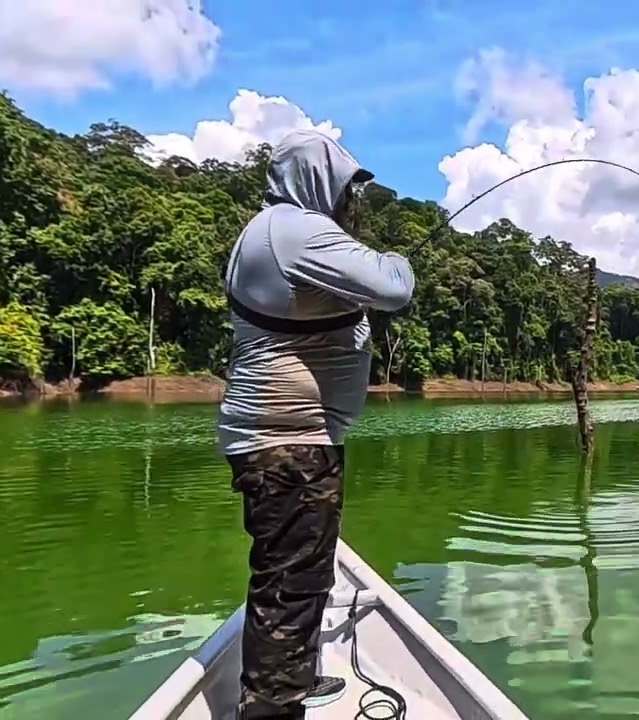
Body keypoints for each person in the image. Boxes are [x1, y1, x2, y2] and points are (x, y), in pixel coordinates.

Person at [218, 129, 415, 719]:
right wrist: (399, 259)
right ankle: (274, 705)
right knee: (292, 587)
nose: (351, 199)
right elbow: (392, 287)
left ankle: (290, 681)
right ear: (314, 178)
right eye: (346, 185)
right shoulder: (296, 229)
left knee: (293, 577)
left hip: (286, 442)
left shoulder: (274, 230)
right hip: (288, 446)